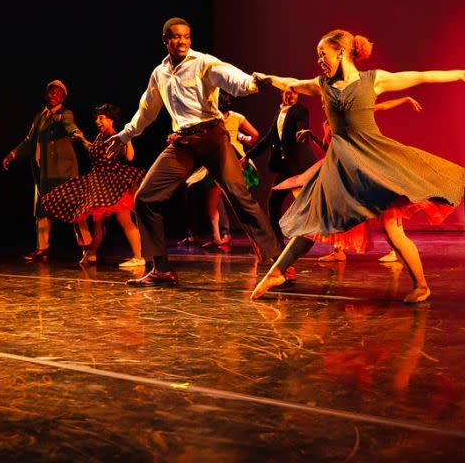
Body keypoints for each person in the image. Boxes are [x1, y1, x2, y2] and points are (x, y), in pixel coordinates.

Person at [249, 29, 465, 303]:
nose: (319, 61)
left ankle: (421, 285)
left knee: (392, 230)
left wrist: (459, 74)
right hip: (340, 168)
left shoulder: (373, 80)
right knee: (313, 219)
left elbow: (419, 76)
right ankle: (278, 271)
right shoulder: (322, 84)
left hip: (373, 162)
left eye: (322, 55)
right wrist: (268, 79)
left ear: (340, 52)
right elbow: (292, 82)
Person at [106, 17, 283, 287]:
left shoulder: (202, 62)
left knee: (239, 196)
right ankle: (161, 269)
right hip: (182, 142)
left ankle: (277, 263)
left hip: (212, 136)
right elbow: (147, 110)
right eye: (176, 37)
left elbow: (230, 77)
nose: (182, 41)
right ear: (165, 40)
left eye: (186, 36)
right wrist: (126, 133)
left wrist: (252, 83)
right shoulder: (160, 73)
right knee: (145, 198)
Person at [293, 96, 424, 263]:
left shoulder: (348, 115)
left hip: (362, 166)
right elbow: (328, 149)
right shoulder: (327, 123)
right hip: (342, 170)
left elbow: (381, 107)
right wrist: (311, 136)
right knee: (338, 208)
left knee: (384, 205)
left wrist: (405, 99)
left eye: (327, 99)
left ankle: (395, 248)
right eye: (322, 100)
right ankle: (338, 251)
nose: (324, 102)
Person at [41, 104, 146, 267]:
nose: (98, 121)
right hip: (98, 184)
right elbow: (92, 150)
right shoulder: (99, 137)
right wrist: (82, 139)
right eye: (97, 118)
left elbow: (130, 157)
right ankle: (92, 253)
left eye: (102, 118)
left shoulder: (118, 136)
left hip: (114, 185)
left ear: (111, 120)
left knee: (124, 220)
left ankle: (138, 257)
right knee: (97, 225)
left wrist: (128, 137)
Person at [3, 80, 91, 260]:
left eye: (57, 93)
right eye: (50, 92)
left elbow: (70, 126)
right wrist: (13, 154)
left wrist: (77, 135)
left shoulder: (65, 113)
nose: (53, 95)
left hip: (63, 170)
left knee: (74, 209)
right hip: (43, 172)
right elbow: (29, 141)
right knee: (41, 210)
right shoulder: (40, 116)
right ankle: (42, 249)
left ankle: (87, 247)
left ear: (63, 97)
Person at [185, 92, 261, 248]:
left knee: (213, 204)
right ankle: (254, 241)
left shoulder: (212, 119)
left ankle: (218, 238)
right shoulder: (236, 117)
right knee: (241, 204)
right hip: (234, 161)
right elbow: (254, 135)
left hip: (221, 161)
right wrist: (243, 138)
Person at [242, 88, 317, 243]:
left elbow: (301, 125)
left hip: (300, 167)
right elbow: (269, 138)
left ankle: (334, 245)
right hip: (285, 168)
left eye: (295, 93)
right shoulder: (280, 112)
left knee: (311, 206)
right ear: (282, 94)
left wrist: (301, 133)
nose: (291, 96)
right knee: (273, 202)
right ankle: (277, 241)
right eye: (288, 92)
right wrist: (248, 155)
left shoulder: (300, 110)